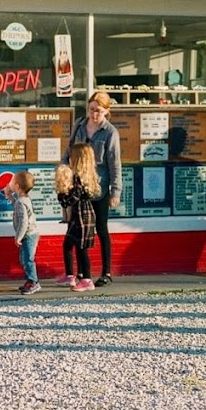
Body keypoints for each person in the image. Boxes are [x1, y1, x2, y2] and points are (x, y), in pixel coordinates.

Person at [69, 91, 122, 286]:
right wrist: (63, 173)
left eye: (98, 111)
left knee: (101, 228)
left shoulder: (110, 132)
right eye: (91, 110)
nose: (94, 114)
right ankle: (82, 272)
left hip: (99, 187)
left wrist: (115, 191)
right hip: (78, 186)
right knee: (78, 229)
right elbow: (69, 151)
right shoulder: (80, 126)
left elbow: (114, 163)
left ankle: (106, 271)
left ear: (107, 111)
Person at [56, 144, 100, 292]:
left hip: (83, 217)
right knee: (67, 244)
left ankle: (87, 280)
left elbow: (72, 199)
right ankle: (70, 276)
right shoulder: (82, 177)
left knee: (82, 249)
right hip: (78, 216)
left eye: (72, 156)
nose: (69, 159)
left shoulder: (78, 179)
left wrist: (62, 193)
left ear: (79, 160)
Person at [4, 169, 40, 295]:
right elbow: (19, 209)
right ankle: (30, 281)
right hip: (31, 234)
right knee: (24, 258)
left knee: (28, 259)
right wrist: (9, 196)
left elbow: (24, 221)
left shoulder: (21, 201)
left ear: (17, 186)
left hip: (28, 235)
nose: (10, 184)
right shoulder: (24, 199)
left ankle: (33, 282)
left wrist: (18, 237)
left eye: (12, 182)